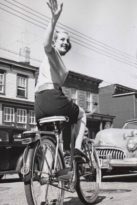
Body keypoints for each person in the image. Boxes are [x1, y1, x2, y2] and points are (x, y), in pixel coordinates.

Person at [34, 0, 87, 170]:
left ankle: (43, 187)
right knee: (81, 114)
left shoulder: (47, 62)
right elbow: (46, 45)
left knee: (50, 142)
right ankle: (77, 150)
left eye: (67, 40)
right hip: (52, 98)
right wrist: (54, 19)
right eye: (62, 39)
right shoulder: (53, 54)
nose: (65, 42)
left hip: (39, 104)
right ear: (55, 42)